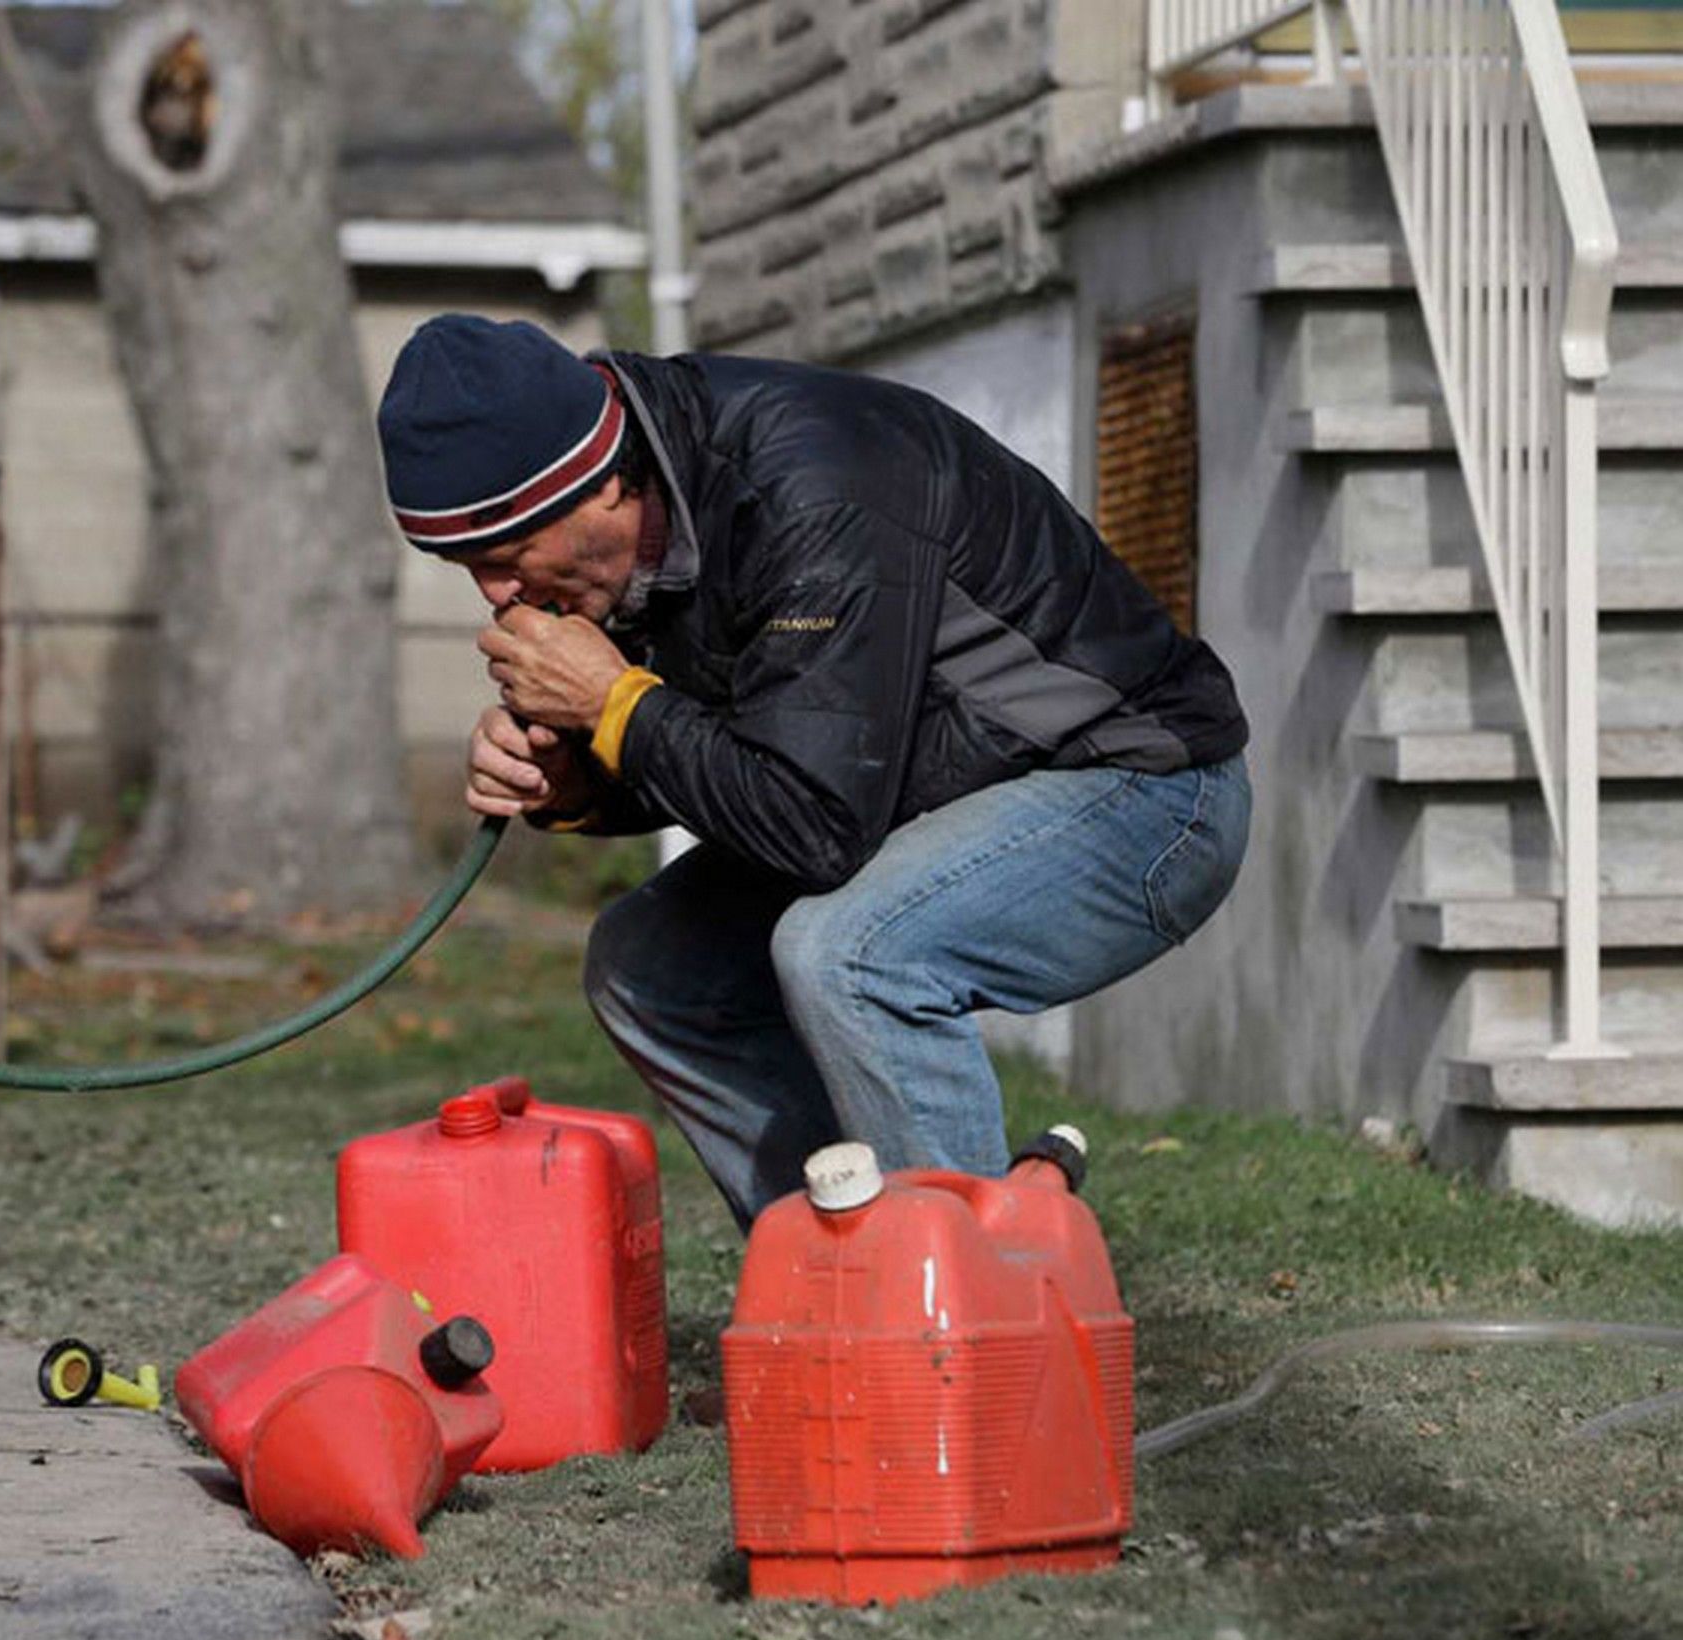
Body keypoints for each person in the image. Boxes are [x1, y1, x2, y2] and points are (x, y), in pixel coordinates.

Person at [376, 315, 1250, 1229]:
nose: (496, 597)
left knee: (852, 954)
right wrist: (575, 780)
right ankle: (828, 1274)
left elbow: (812, 826)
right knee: (648, 965)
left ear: (599, 490)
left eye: (506, 560)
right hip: (922, 798)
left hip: (1150, 792)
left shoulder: (815, 488)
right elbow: (754, 760)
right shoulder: (628, 537)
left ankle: (963, 1314)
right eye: (466, 568)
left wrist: (614, 707)